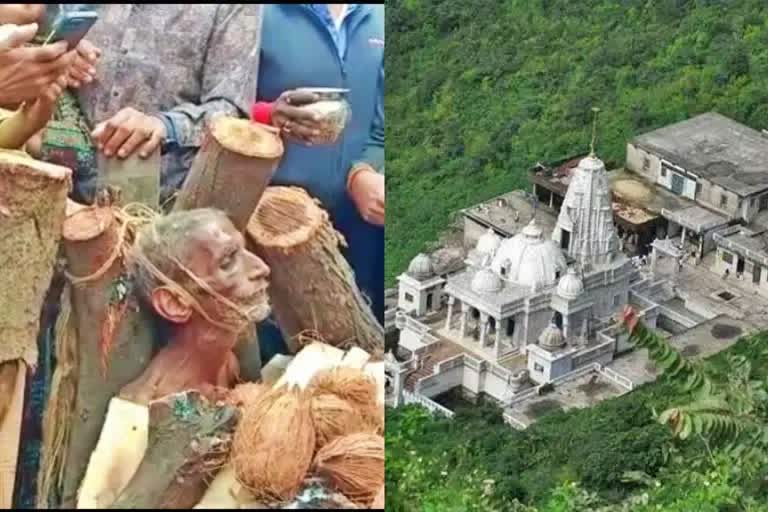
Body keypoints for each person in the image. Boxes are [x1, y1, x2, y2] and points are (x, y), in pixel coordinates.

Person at [250, 3, 384, 363]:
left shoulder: (376, 18)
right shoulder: (259, 15)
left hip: (355, 222)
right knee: (276, 354)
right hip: (273, 224)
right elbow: (220, 107)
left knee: (354, 350)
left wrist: (365, 171)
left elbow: (381, 126)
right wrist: (266, 114)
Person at [74, 4, 262, 205]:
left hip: (159, 206)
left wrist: (165, 126)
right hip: (60, 184)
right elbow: (45, 29)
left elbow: (232, 113)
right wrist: (61, 53)